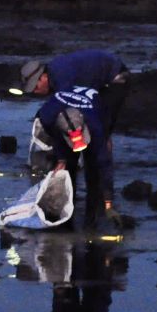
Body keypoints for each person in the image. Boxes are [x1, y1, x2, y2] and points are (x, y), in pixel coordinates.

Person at [35, 87, 122, 229]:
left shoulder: (96, 126)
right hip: (62, 123)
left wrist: (108, 203)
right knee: (67, 169)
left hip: (98, 112)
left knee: (94, 169)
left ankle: (91, 220)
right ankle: (66, 215)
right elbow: (55, 136)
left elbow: (105, 165)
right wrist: (61, 158)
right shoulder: (47, 115)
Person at [19, 50, 130, 135]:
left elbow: (65, 105)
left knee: (101, 129)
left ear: (43, 77)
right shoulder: (54, 73)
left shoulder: (61, 75)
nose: (35, 92)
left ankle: (102, 163)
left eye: (36, 87)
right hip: (95, 81)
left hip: (115, 77)